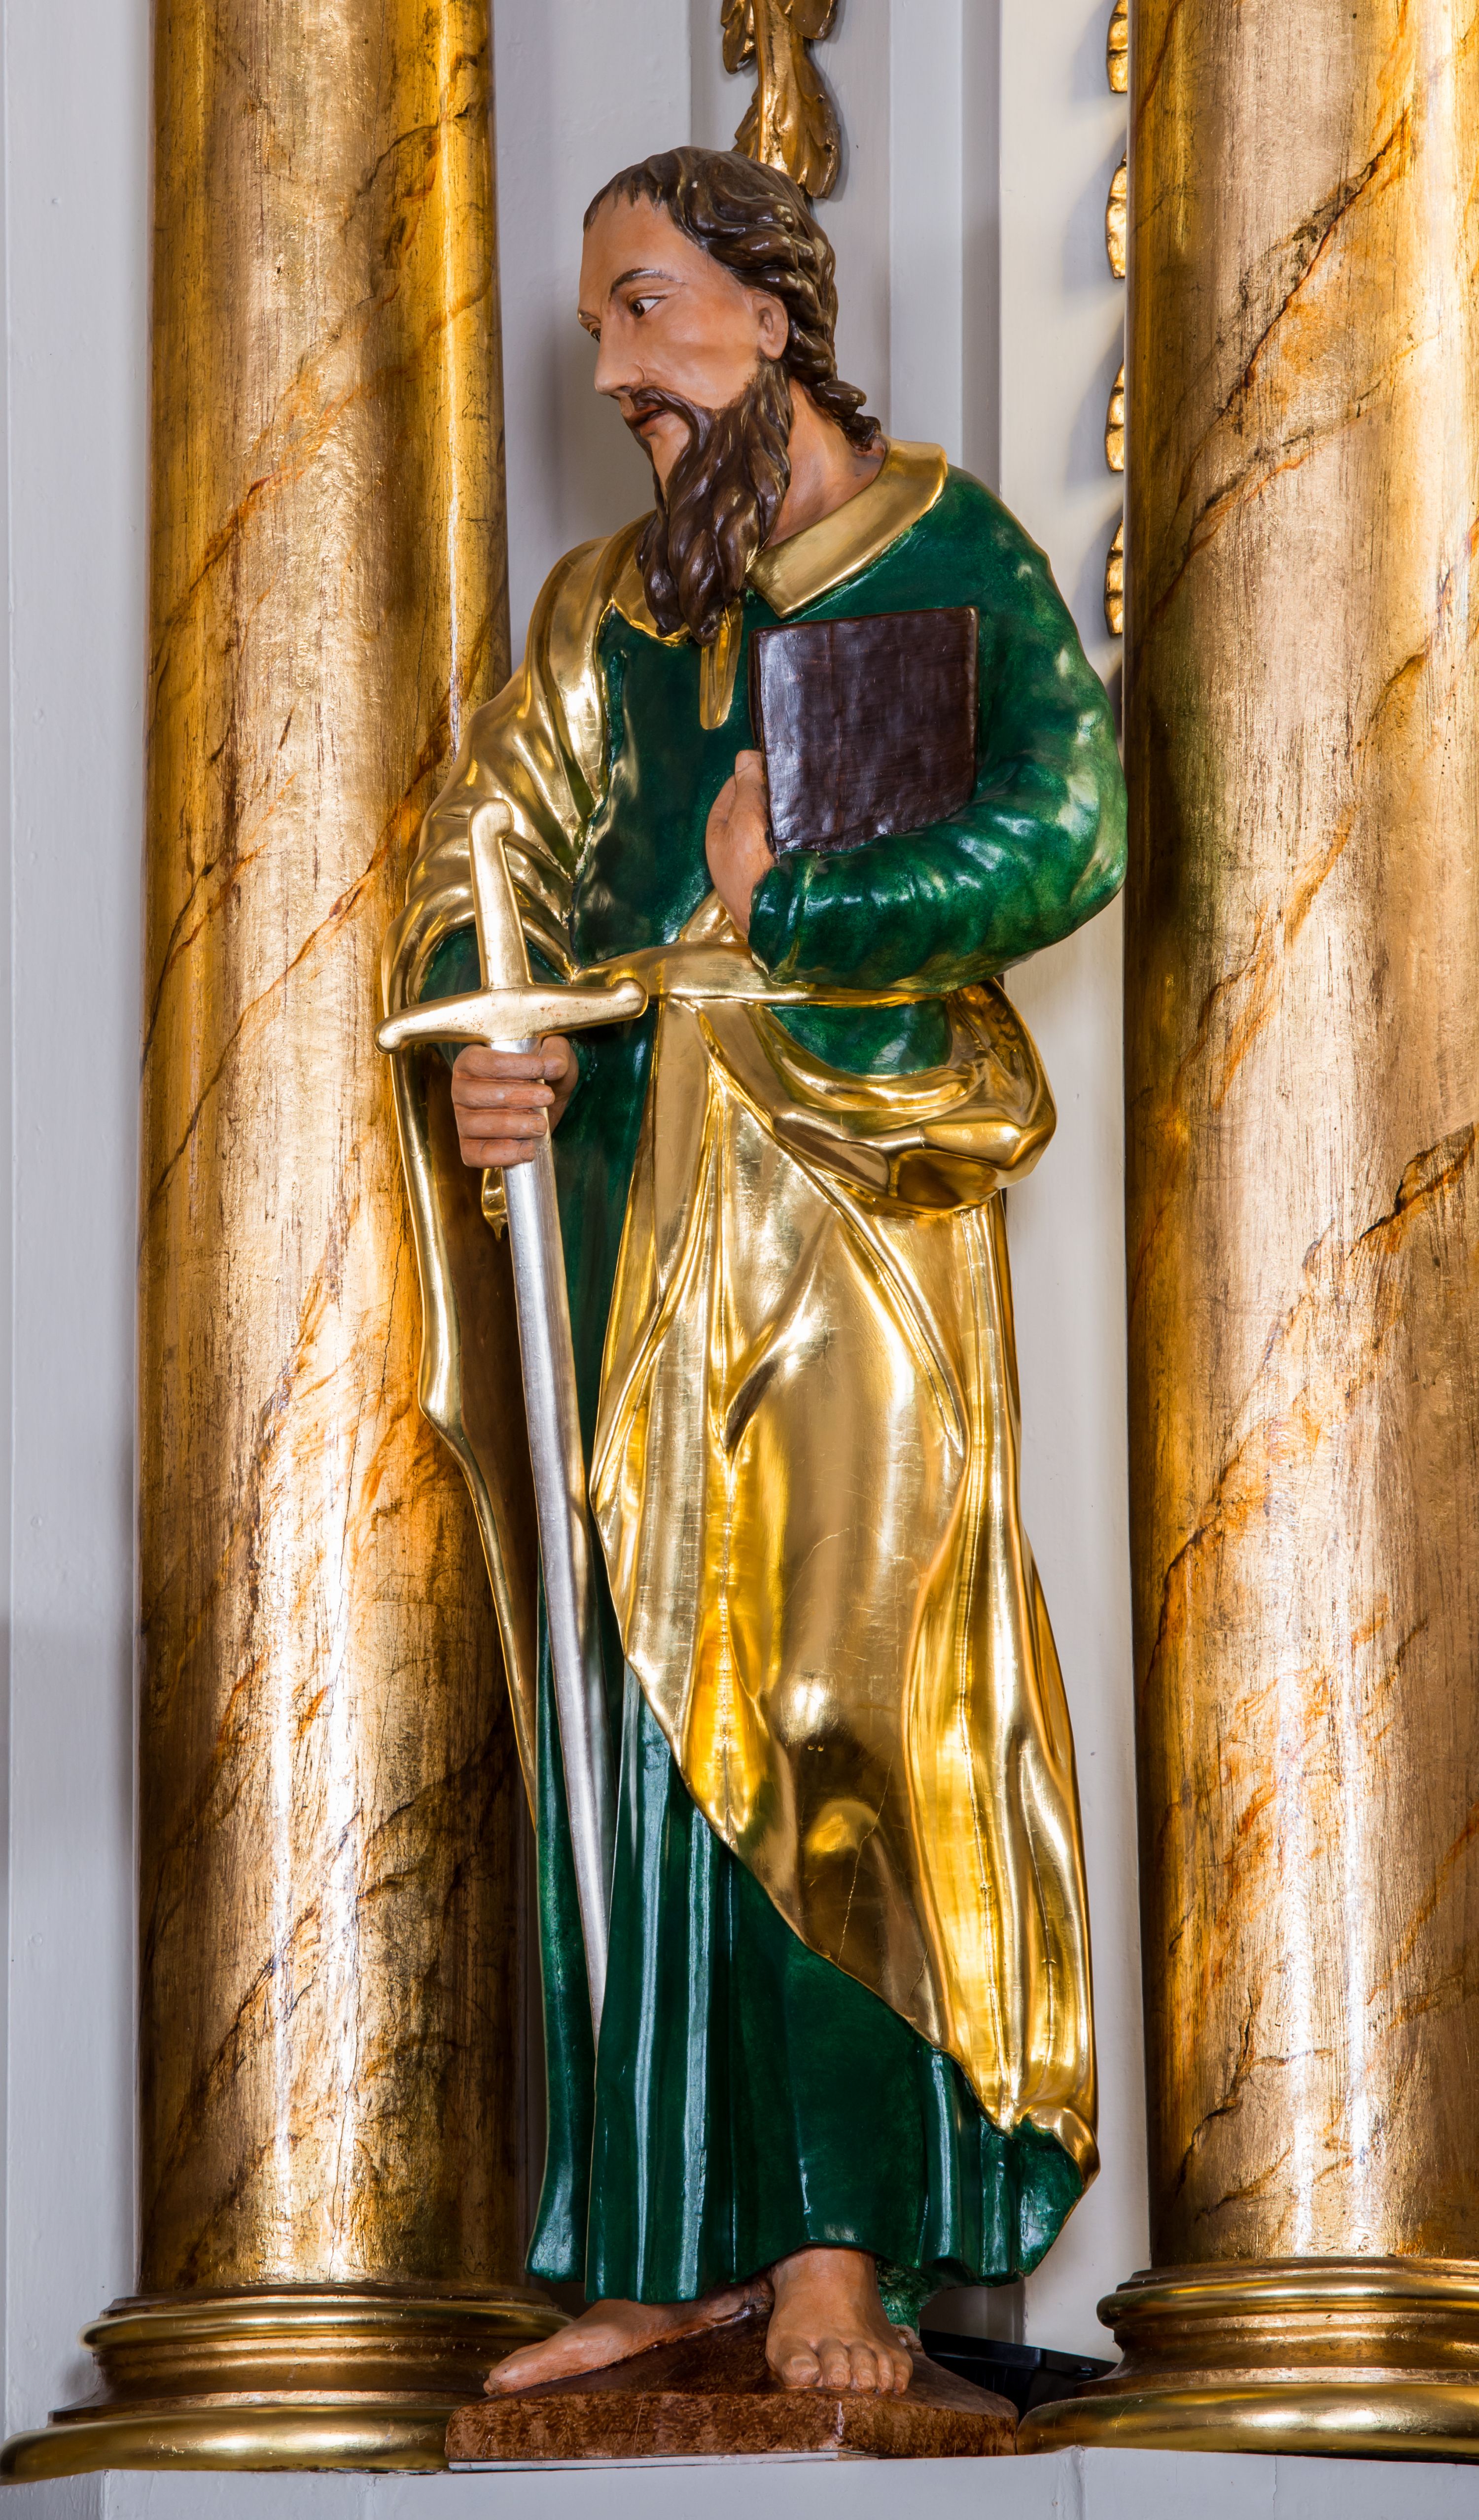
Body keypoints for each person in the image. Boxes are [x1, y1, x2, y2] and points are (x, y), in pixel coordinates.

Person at [383, 145, 1125, 2399]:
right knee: (631, 1700)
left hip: (846, 1195)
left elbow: (1066, 827)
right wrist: (488, 1035)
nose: (619, 371)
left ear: (773, 311)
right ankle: (655, 2243)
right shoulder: (603, 606)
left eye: (649, 309)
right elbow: (488, 848)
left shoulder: (946, 552)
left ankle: (835, 2237)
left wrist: (791, 909)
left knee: (833, 1705)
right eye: (599, 329)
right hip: (630, 1193)